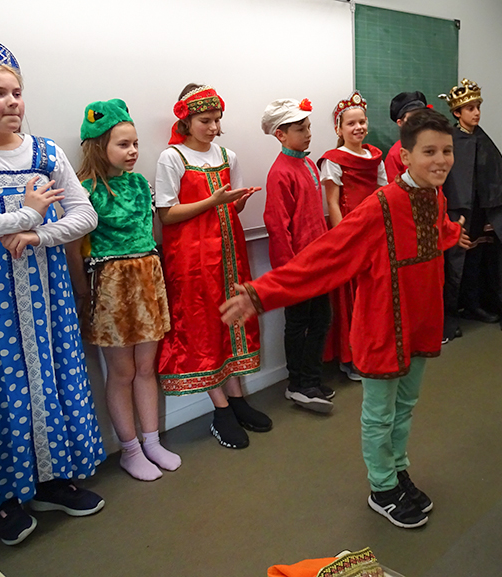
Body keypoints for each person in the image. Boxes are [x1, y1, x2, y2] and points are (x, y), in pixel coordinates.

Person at [221, 108, 471, 529]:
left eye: (446, 151)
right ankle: (382, 488)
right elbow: (325, 258)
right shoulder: (381, 207)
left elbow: (430, 234)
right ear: (405, 157)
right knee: (380, 413)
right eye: (429, 151)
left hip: (420, 323)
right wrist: (261, 293)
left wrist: (450, 234)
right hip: (383, 327)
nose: (441, 160)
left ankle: (398, 471)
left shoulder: (435, 196)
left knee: (405, 406)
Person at [0, 38, 105, 546]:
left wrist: (38, 234)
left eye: (17, 92)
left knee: (49, 378)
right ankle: (0, 499)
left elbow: (85, 214)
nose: (12, 102)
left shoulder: (46, 153)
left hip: (47, 296)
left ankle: (50, 481)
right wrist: (24, 215)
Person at [67, 99, 180, 481]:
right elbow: (73, 248)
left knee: (146, 368)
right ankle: (130, 450)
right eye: (123, 144)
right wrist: (83, 292)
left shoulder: (139, 184)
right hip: (110, 287)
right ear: (99, 146)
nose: (133, 151)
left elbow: (152, 231)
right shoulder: (84, 190)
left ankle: (152, 441)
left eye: (135, 144)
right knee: (122, 372)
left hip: (147, 279)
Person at [155, 84, 271, 449]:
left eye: (217, 119)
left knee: (231, 320)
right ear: (187, 120)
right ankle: (221, 410)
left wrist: (237, 200)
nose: (214, 127)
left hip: (229, 253)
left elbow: (230, 207)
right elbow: (166, 214)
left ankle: (237, 400)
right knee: (202, 325)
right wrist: (214, 201)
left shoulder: (227, 155)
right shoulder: (172, 157)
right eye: (205, 120)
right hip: (191, 258)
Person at [261, 98, 333, 413]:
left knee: (321, 319)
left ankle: (312, 378)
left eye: (308, 127)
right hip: (298, 266)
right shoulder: (280, 173)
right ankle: (297, 384)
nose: (308, 134)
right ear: (280, 134)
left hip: (318, 260)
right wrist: (289, 272)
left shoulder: (307, 164)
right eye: (300, 129)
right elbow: (277, 226)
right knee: (298, 323)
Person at [439, 79, 502, 341]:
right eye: (470, 108)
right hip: (457, 211)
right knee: (454, 265)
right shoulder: (450, 140)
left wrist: (491, 212)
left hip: (481, 211)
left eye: (478, 107)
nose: (476, 113)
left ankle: (473, 305)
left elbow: (495, 178)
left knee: (476, 259)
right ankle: (449, 316)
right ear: (457, 112)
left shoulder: (482, 138)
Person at [319, 91, 388, 380]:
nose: (358, 127)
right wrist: (343, 239)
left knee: (375, 294)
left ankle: (374, 349)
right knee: (353, 297)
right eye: (351, 123)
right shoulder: (333, 160)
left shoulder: (375, 156)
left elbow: (383, 195)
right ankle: (352, 357)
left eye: (362, 122)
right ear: (339, 129)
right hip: (350, 231)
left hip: (375, 232)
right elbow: (332, 203)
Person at [384, 91, 428, 181]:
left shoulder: (436, 145)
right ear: (400, 123)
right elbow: (392, 186)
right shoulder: (395, 154)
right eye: (413, 117)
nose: (419, 120)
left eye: (422, 115)